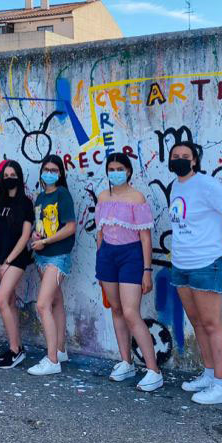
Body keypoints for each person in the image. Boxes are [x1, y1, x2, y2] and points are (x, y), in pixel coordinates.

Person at [167, 141, 222, 405]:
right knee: (198, 323)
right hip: (181, 265)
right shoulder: (175, 187)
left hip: (206, 264)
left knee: (212, 324)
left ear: (194, 161)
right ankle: (209, 374)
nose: (179, 159)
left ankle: (221, 386)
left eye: (185, 156)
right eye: (175, 156)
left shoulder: (205, 184)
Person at [95, 153, 163, 392]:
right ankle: (126, 361)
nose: (115, 172)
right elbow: (100, 232)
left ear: (128, 171)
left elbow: (145, 237)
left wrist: (147, 270)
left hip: (131, 256)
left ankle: (153, 370)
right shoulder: (103, 197)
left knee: (131, 312)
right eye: (111, 168)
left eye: (119, 168)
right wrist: (101, 257)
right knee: (116, 309)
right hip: (107, 256)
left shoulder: (137, 198)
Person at [26, 155, 76, 376]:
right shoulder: (39, 198)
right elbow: (42, 227)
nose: (49, 173)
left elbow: (70, 227)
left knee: (42, 304)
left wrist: (45, 241)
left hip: (58, 256)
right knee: (55, 302)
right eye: (46, 168)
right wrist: (37, 235)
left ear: (60, 173)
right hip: (42, 257)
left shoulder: (62, 194)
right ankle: (60, 349)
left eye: (54, 169)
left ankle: (52, 360)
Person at [0, 160, 34, 369]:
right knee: (9, 302)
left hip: (16, 260)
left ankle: (15, 350)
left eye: (12, 175)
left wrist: (8, 261)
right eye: (5, 176)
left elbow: (26, 235)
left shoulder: (25, 203)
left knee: (1, 300)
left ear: (19, 176)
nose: (9, 179)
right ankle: (15, 346)